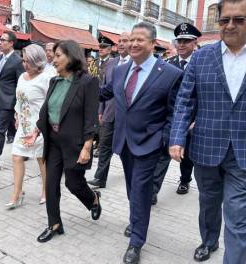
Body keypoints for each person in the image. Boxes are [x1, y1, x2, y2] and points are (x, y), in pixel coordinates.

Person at [169, 0, 246, 262]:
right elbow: (185, 101)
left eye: (239, 19)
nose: (230, 25)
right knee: (208, 203)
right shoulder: (201, 57)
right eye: (225, 20)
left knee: (237, 217)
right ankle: (209, 241)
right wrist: (177, 138)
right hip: (206, 147)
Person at [100, 22, 182, 264]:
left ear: (153, 43)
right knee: (132, 190)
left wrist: (164, 140)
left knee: (140, 190)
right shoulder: (120, 70)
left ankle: (136, 242)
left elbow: (174, 112)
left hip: (150, 144)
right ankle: (137, 219)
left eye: (140, 40)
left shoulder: (170, 74)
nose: (134, 44)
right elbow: (104, 92)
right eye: (131, 39)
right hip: (124, 141)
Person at [25, 40, 102, 243]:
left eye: (58, 55)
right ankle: (54, 224)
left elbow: (91, 117)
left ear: (72, 56)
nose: (53, 58)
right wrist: (36, 131)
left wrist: (87, 146)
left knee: (73, 183)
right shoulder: (54, 81)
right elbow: (47, 110)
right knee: (51, 184)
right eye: (53, 55)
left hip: (76, 143)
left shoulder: (87, 82)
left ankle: (93, 199)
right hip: (54, 140)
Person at [152, 22, 201, 204]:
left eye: (186, 41)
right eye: (179, 41)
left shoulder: (201, 63)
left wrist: (196, 120)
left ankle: (185, 180)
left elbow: (202, 96)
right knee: (163, 154)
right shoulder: (167, 64)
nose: (181, 45)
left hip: (191, 120)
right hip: (169, 118)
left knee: (186, 155)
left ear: (194, 42)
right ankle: (152, 192)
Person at [5, 44, 54, 210]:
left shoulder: (47, 77)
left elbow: (51, 103)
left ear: (38, 61)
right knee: (16, 156)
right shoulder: (22, 77)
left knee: (42, 159)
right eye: (24, 61)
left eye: (29, 61)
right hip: (24, 125)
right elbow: (19, 99)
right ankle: (17, 193)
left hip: (40, 125)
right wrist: (17, 115)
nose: (25, 64)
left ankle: (46, 190)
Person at [88, 32, 130, 188]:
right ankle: (100, 178)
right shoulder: (111, 64)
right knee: (105, 146)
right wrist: (100, 110)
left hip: (128, 116)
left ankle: (131, 175)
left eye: (125, 41)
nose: (120, 44)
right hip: (109, 113)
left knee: (127, 150)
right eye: (119, 41)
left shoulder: (136, 63)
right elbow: (104, 88)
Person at [0, 31, 25, 173]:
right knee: (14, 129)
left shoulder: (17, 61)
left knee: (0, 131)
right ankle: (25, 150)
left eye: (3, 40)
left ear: (11, 43)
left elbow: (20, 83)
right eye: (0, 39)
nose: (0, 42)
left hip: (9, 101)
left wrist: (17, 105)